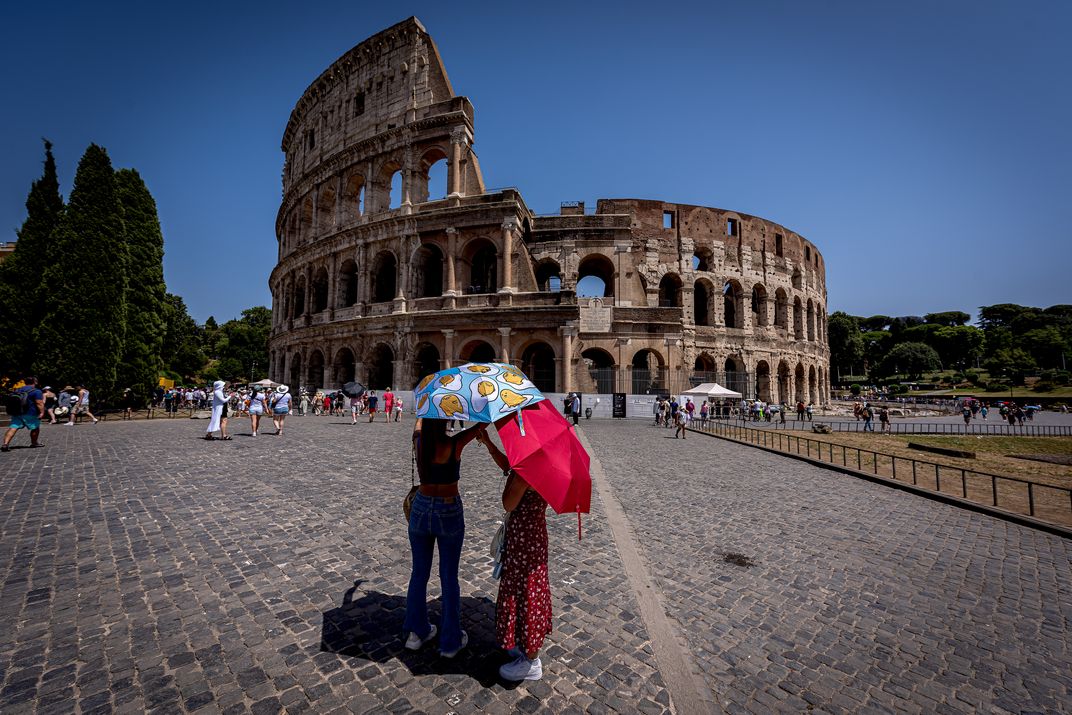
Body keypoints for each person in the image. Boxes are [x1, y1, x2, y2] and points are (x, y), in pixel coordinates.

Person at [403, 418, 487, 658]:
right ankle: (450, 641)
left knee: (419, 573)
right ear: (444, 424)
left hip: (420, 508)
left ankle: (415, 634)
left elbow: (418, 426)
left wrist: (423, 410)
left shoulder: (419, 441)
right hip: (448, 510)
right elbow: (480, 427)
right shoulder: (455, 444)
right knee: (449, 576)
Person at [475, 428, 551, 681]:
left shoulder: (527, 471)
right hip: (532, 537)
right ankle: (523, 644)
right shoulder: (541, 461)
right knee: (523, 589)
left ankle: (531, 661)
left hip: (525, 541)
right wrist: (489, 443)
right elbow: (507, 465)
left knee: (526, 592)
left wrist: (515, 475)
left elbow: (508, 503)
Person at [2, 377, 45, 452]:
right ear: (35, 382)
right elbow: (39, 403)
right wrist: (42, 412)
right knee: (35, 428)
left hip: (17, 412)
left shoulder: (17, 390)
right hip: (30, 413)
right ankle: (34, 443)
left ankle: (5, 444)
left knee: (13, 427)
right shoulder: (36, 391)